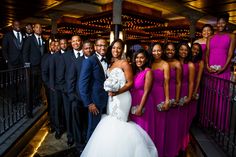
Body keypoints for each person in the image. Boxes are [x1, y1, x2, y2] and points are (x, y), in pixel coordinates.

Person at [81, 39, 157, 157]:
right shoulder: (110, 62)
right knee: (110, 125)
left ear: (122, 50)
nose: (116, 50)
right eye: (114, 48)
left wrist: (117, 92)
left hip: (122, 98)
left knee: (120, 125)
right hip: (110, 100)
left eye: (119, 48)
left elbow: (130, 83)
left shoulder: (125, 63)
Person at [205, 13, 235, 130]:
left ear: (226, 23)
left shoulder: (232, 36)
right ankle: (207, 122)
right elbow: (207, 53)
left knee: (221, 97)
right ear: (216, 23)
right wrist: (207, 66)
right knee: (210, 96)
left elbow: (230, 54)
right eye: (219, 22)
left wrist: (224, 68)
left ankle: (219, 124)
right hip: (210, 70)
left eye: (223, 22)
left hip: (223, 70)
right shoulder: (210, 37)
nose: (220, 24)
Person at [79, 38, 109, 140]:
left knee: (103, 128)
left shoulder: (108, 60)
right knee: (93, 129)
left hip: (107, 101)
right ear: (95, 47)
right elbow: (82, 85)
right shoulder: (89, 61)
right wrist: (89, 103)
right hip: (95, 103)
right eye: (100, 45)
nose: (102, 48)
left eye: (104, 45)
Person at [67, 41, 94, 152]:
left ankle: (88, 142)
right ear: (83, 49)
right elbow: (70, 81)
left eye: (90, 48)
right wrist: (73, 97)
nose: (89, 50)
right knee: (78, 124)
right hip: (77, 99)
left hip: (91, 100)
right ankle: (79, 145)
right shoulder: (76, 62)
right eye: (86, 48)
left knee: (87, 122)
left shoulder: (95, 61)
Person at [129, 49, 155, 140]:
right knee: (134, 131)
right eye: (137, 57)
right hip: (134, 101)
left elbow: (147, 91)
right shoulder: (135, 71)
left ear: (146, 59)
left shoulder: (148, 72)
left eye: (141, 58)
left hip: (143, 102)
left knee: (142, 131)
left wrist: (140, 107)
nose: (138, 60)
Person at [23, 23, 46, 118]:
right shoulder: (29, 39)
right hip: (32, 67)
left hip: (41, 66)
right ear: (34, 29)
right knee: (31, 86)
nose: (39, 29)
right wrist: (27, 65)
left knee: (38, 85)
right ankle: (31, 104)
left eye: (40, 27)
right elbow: (25, 52)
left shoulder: (43, 39)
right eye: (37, 27)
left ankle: (37, 100)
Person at [150, 43, 170, 157]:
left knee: (159, 124)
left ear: (162, 51)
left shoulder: (165, 64)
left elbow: (166, 83)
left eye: (158, 50)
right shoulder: (149, 62)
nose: (156, 53)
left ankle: (159, 151)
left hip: (159, 95)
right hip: (149, 95)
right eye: (154, 50)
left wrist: (167, 100)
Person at [163, 42, 182, 157]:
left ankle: (172, 148)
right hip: (161, 92)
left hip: (173, 92)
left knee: (172, 124)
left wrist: (177, 99)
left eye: (172, 50)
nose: (170, 51)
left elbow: (179, 82)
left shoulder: (177, 63)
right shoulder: (160, 62)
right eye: (168, 49)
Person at [176, 42, 195, 151]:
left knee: (183, 121)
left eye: (186, 50)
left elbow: (192, 82)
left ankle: (182, 143)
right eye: (181, 49)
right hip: (175, 92)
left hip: (185, 92)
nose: (183, 52)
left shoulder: (190, 65)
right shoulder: (174, 63)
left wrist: (189, 97)